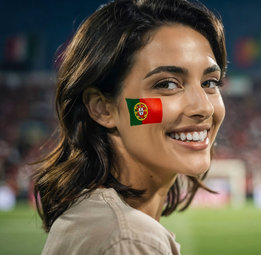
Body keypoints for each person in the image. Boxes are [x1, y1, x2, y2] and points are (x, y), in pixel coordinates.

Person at [33, 0, 227, 254]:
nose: (204, 107)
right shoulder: (129, 240)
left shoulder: (100, 221)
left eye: (210, 82)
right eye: (167, 84)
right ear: (103, 108)